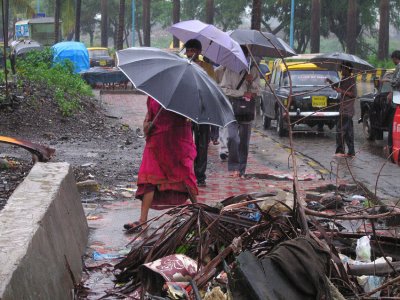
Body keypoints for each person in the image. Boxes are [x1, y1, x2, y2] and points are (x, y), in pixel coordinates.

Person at [124, 96, 198, 232]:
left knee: (153, 178)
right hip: (171, 142)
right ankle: (198, 215)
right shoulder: (184, 97)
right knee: (181, 177)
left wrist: (147, 124)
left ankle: (143, 221)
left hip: (167, 142)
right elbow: (150, 115)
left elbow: (149, 120)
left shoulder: (158, 94)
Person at [220, 46, 261, 177]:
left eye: (245, 55)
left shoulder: (253, 70)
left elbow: (258, 90)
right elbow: (224, 89)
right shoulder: (230, 70)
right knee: (232, 138)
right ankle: (233, 167)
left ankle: (241, 169)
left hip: (247, 109)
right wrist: (241, 93)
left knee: (244, 142)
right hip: (232, 107)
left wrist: (251, 82)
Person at [184, 39, 216, 187]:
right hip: (187, 111)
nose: (190, 53)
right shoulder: (183, 66)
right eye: (188, 50)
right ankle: (186, 173)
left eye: (192, 50)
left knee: (202, 145)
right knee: (185, 143)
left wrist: (201, 71)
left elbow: (213, 88)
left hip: (204, 111)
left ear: (199, 52)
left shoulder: (208, 68)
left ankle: (200, 176)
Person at [330, 62, 357, 157]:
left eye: (342, 69)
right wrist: (331, 84)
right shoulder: (344, 79)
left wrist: (341, 91)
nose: (341, 71)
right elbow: (339, 89)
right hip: (343, 109)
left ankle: (340, 151)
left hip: (347, 109)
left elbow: (353, 94)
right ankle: (351, 151)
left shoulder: (351, 80)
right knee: (348, 132)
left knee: (340, 130)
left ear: (347, 69)